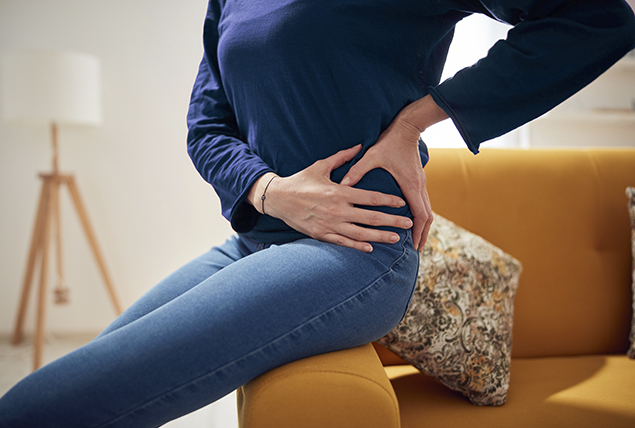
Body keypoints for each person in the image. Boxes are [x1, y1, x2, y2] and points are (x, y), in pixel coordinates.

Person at [1, 0, 634, 426]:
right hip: (256, 242)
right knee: (91, 372)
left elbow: (594, 20)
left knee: (61, 401)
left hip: (356, 254)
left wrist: (421, 117)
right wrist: (271, 191)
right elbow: (206, 125)